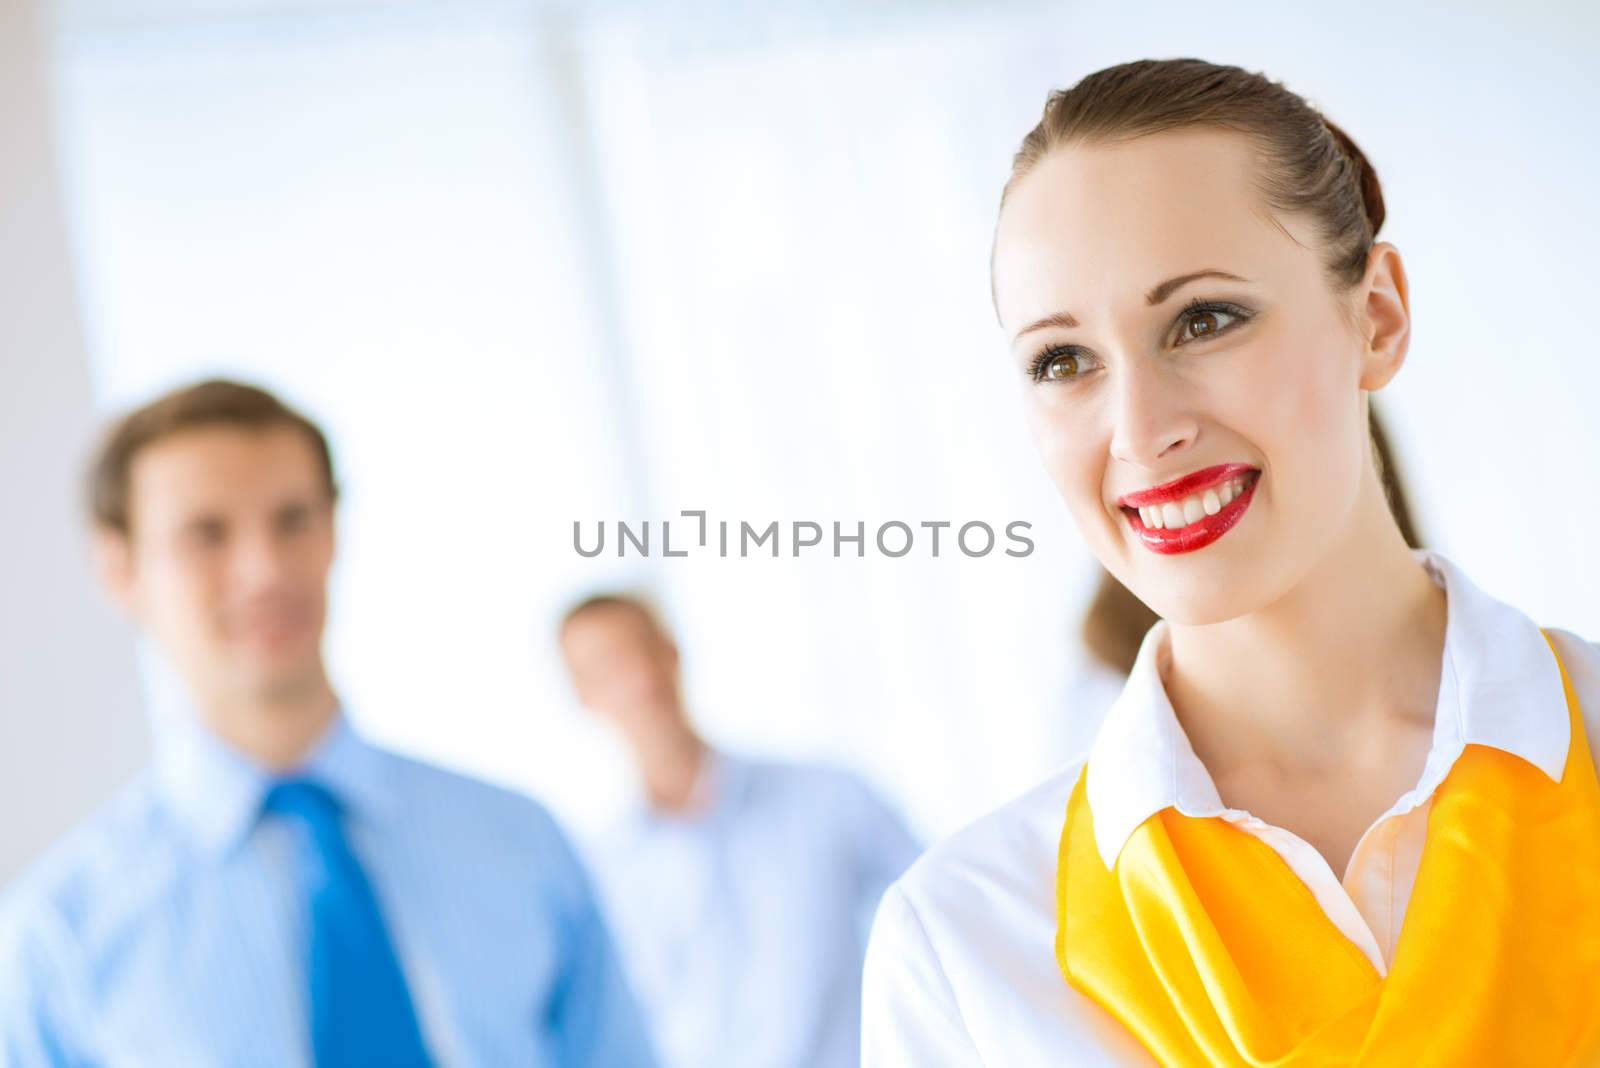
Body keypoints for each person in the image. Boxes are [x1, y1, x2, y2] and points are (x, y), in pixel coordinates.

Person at [862, 58, 1600, 1066]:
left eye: (1203, 320)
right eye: (1062, 360)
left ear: (1375, 317)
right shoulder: (965, 948)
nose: (1140, 428)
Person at [0, 379, 658, 1067]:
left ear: (333, 533)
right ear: (120, 570)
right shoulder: (59, 942)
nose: (264, 569)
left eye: (292, 520)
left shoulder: (522, 844)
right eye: (207, 535)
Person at [558, 592, 919, 1068]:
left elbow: (938, 926)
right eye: (610, 666)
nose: (639, 680)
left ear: (673, 651)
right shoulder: (596, 873)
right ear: (583, 695)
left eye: (645, 649)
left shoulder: (829, 797)